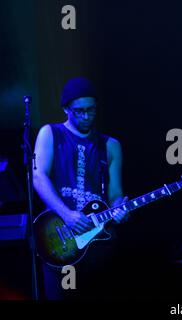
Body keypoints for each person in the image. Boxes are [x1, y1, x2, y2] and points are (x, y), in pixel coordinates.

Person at [33, 77, 129, 299]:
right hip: (60, 239)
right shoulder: (51, 133)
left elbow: (115, 193)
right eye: (79, 111)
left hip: (99, 242)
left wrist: (120, 208)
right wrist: (66, 214)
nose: (86, 116)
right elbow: (38, 178)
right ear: (66, 109)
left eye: (91, 110)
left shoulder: (111, 145)